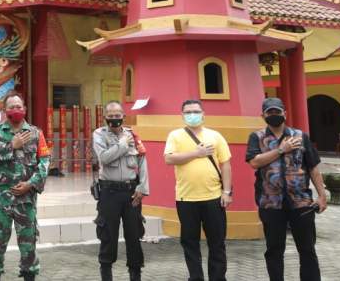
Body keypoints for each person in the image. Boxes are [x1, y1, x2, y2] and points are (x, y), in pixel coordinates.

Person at [246, 97, 326, 281]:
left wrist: (322, 196)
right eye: (270, 112)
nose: (274, 115)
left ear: (285, 113)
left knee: (307, 249)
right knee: (274, 250)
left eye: (277, 112)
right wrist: (281, 150)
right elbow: (254, 162)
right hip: (270, 203)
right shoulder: (256, 137)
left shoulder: (300, 136)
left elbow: (313, 167)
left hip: (301, 202)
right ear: (263, 115)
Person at [0, 91, 50, 281]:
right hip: (0, 200)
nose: (16, 110)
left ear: (25, 109)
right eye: (11, 107)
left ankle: (29, 275)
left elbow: (44, 162)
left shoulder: (36, 133)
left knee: (28, 245)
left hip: (26, 199)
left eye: (19, 107)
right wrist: (11, 145)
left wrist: (31, 184)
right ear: (5, 110)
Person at [164, 100, 232, 281]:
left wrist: (227, 192)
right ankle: (196, 277)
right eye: (188, 112)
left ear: (203, 114)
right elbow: (169, 159)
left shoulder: (215, 136)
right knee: (189, 243)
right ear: (182, 115)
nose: (192, 115)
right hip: (186, 199)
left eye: (195, 111)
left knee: (217, 243)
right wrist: (196, 153)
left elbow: (225, 165)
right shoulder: (175, 136)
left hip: (214, 198)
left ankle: (217, 278)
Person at [93, 101, 148, 281]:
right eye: (111, 115)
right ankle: (106, 275)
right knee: (108, 235)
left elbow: (142, 162)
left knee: (134, 234)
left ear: (123, 116)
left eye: (118, 115)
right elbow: (104, 158)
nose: (115, 119)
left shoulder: (134, 135)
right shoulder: (99, 135)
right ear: (105, 117)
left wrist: (142, 188)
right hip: (109, 192)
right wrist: (123, 144)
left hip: (131, 192)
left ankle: (135, 274)